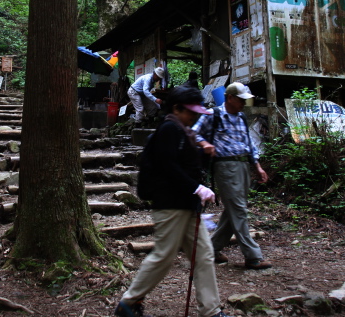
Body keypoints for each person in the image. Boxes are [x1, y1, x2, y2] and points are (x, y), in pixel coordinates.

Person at [115, 86, 233, 317]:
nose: (196, 116)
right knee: (164, 256)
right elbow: (168, 166)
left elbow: (186, 166)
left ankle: (211, 311)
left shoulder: (184, 131)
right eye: (191, 112)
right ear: (177, 109)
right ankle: (129, 302)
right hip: (170, 204)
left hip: (187, 205)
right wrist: (197, 187)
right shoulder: (169, 129)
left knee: (203, 255)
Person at [192, 82, 272, 270]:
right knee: (238, 209)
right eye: (240, 100)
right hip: (225, 166)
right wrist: (205, 145)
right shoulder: (213, 114)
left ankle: (211, 250)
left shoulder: (242, 117)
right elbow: (193, 133)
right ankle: (253, 256)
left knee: (234, 210)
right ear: (230, 98)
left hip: (243, 165)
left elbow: (249, 143)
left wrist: (257, 167)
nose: (244, 104)